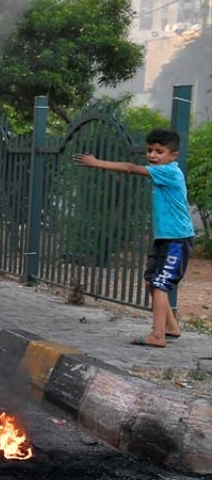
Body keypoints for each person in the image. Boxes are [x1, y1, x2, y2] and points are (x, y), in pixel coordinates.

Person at [74, 128, 195, 348]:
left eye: (159, 151)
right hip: (166, 238)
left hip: (177, 239)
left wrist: (97, 162)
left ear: (173, 156)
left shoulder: (169, 172)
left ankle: (157, 336)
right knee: (152, 282)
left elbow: (129, 168)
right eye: (150, 150)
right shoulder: (163, 171)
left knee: (160, 285)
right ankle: (171, 327)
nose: (152, 155)